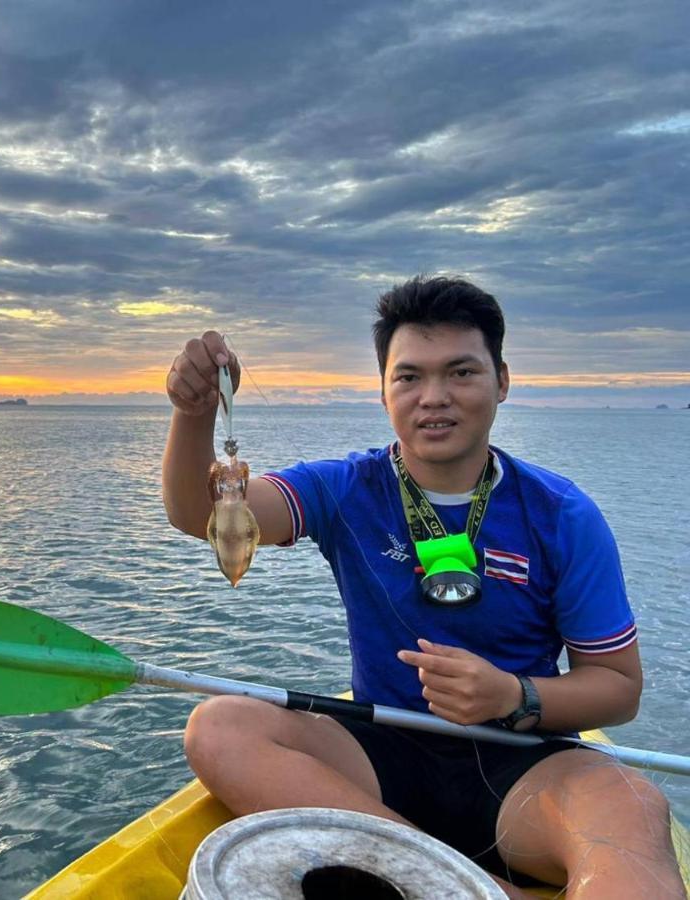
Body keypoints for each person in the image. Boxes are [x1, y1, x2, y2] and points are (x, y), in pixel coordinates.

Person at [161, 276, 685, 899]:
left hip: (522, 764)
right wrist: (193, 415)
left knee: (632, 807)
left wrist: (512, 695)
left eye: (461, 372)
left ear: (502, 381)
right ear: (384, 391)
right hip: (378, 753)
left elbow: (618, 689)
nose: (433, 397)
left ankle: (425, 873)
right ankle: (483, 889)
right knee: (219, 727)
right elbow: (208, 514)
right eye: (409, 377)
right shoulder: (345, 487)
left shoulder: (562, 513)